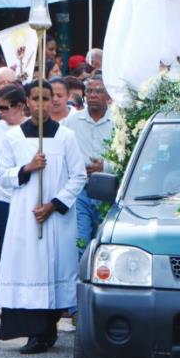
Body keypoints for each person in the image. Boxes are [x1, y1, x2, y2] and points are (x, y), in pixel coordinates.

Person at [0, 81, 87, 354]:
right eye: (34, 98)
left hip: (55, 217)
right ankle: (35, 332)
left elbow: (79, 175)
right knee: (28, 269)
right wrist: (28, 167)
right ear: (26, 102)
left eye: (45, 98)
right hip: (25, 216)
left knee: (53, 268)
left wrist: (54, 204)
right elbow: (4, 176)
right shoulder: (14, 137)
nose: (40, 104)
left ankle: (47, 330)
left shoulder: (66, 136)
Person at [0, 84, 28, 318]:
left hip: (23, 197)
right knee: (1, 247)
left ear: (20, 106)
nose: (0, 112)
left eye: (4, 107)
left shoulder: (31, 129)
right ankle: (3, 297)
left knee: (23, 247)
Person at [62, 75, 113, 254]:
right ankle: (78, 280)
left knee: (104, 239)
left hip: (108, 190)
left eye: (98, 91)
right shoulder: (72, 122)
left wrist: (105, 166)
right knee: (80, 240)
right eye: (89, 91)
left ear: (108, 96)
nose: (92, 95)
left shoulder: (118, 122)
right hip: (81, 189)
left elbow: (128, 158)